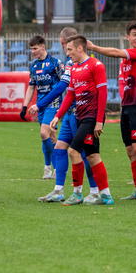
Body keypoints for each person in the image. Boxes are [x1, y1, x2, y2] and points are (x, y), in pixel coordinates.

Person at [87, 22, 136, 201]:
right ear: (127, 37)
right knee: (130, 150)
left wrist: (93, 47)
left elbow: (115, 52)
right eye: (135, 34)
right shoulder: (127, 60)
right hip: (128, 107)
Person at [32, 28, 99, 203]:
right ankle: (58, 190)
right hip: (69, 113)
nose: (65, 48)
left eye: (66, 45)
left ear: (64, 41)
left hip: (81, 114)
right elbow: (68, 90)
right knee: (59, 148)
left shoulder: (82, 63)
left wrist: (39, 104)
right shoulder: (70, 63)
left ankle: (94, 191)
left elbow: (62, 88)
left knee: (85, 154)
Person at [50, 35, 113, 205]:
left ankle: (77, 193)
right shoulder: (75, 68)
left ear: (80, 48)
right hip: (81, 117)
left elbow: (103, 94)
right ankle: (106, 196)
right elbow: (70, 95)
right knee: (93, 156)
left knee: (73, 151)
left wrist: (99, 121)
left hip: (92, 118)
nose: (67, 53)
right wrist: (58, 116)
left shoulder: (96, 65)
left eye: (70, 49)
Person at [20, 35, 60, 179]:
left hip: (54, 104)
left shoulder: (55, 63)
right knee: (51, 136)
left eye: (35, 48)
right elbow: (31, 87)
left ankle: (52, 168)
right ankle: (50, 168)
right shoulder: (34, 66)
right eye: (31, 49)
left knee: (44, 133)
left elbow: (65, 84)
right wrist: (24, 106)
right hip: (40, 106)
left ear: (43, 46)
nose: (33, 51)